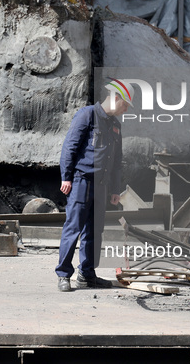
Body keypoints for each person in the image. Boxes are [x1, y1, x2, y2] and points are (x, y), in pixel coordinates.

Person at [55, 80, 134, 292]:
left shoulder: (115, 125)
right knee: (73, 228)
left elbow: (117, 160)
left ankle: (87, 275)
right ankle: (64, 274)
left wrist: (115, 189)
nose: (126, 109)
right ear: (116, 97)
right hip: (82, 181)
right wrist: (67, 177)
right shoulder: (87, 115)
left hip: (102, 185)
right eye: (125, 105)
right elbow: (70, 147)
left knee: (94, 232)